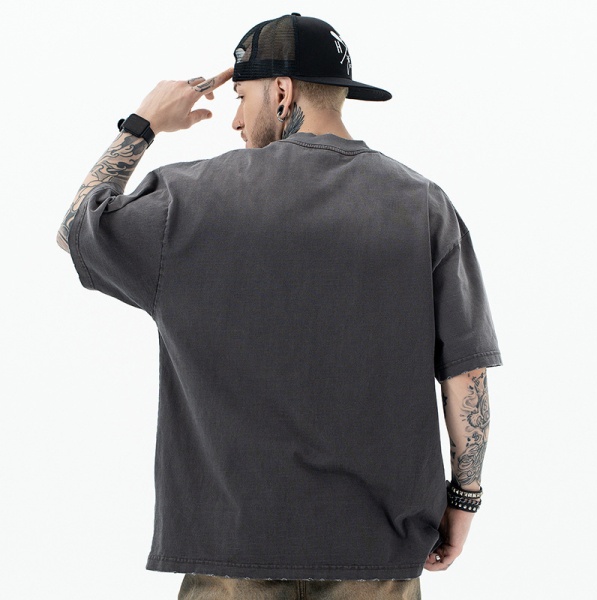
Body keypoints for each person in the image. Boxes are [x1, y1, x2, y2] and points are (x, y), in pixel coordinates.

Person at [57, 13, 502, 600]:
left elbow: (75, 228)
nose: (236, 120)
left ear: (283, 91)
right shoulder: (423, 205)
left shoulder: (186, 200)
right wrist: (464, 499)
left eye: (242, 98)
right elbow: (466, 373)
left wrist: (143, 123)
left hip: (231, 553)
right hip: (376, 554)